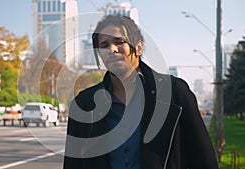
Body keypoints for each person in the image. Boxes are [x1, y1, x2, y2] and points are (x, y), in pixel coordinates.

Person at [63, 15, 219, 169]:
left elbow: (203, 159)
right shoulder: (84, 104)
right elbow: (73, 164)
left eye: (119, 42)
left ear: (138, 47)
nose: (112, 49)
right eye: (104, 45)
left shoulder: (174, 93)